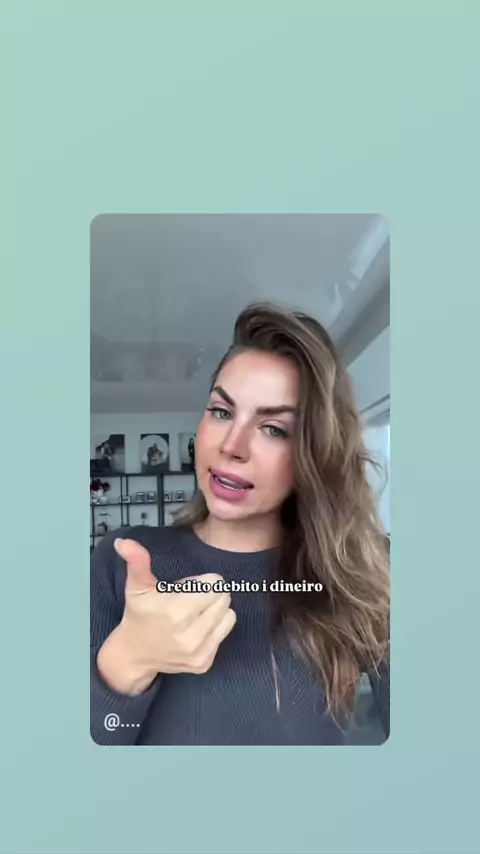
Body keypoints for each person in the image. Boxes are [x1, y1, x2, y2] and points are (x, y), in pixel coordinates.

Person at [91, 301, 390, 745]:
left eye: (274, 429)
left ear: (315, 453)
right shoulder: (119, 561)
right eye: (222, 411)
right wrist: (128, 662)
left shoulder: (363, 571)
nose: (232, 446)